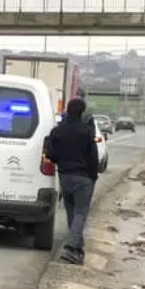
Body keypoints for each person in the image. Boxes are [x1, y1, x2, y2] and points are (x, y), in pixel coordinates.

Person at [44, 98, 98, 265]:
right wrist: (93, 176)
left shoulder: (57, 131)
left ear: (68, 110)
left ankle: (77, 249)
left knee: (71, 212)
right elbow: (93, 157)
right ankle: (71, 247)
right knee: (81, 212)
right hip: (83, 177)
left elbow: (50, 155)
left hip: (65, 176)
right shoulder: (87, 132)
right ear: (82, 112)